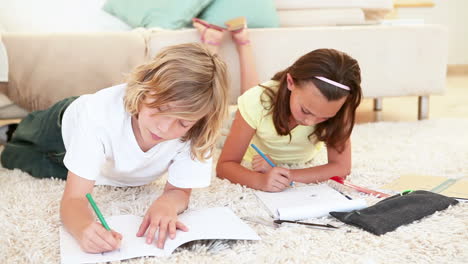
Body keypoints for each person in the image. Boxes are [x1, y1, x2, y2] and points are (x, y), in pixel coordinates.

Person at [0, 43, 229, 252]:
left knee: (59, 169)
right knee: (12, 155)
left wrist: (167, 204)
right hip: (59, 130)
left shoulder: (198, 133)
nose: (164, 128)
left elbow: (180, 191)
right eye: (160, 109)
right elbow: (74, 198)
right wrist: (83, 229)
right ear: (144, 88)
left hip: (103, 163)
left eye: (183, 122)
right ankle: (12, 129)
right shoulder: (98, 115)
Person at [216, 46, 363, 192]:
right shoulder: (257, 101)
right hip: (251, 138)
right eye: (305, 111)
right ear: (290, 82)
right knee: (217, 134)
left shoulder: (340, 107)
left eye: (325, 117)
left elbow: (341, 167)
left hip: (279, 158)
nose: (309, 122)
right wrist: (260, 181)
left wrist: (287, 175)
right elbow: (225, 166)